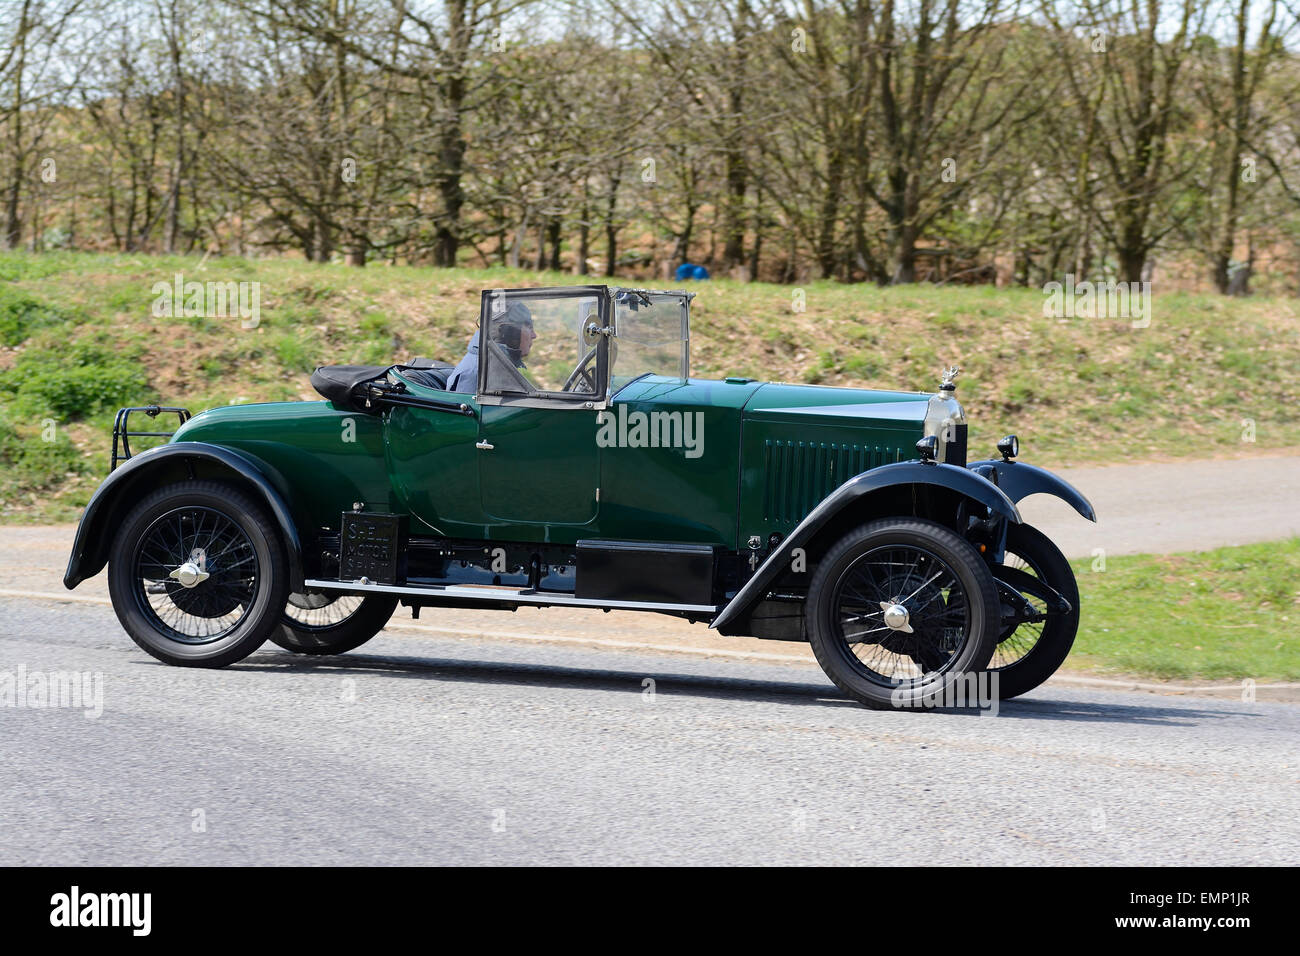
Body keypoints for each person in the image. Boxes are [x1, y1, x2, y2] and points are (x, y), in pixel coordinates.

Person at [446, 299, 536, 392]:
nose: (534, 335)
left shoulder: (497, 365)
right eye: (529, 327)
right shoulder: (477, 376)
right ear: (510, 332)